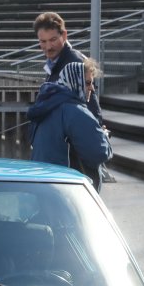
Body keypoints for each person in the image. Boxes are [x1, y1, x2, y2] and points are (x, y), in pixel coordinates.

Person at [28, 59, 110, 189]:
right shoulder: (75, 111)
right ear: (76, 81)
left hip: (40, 182)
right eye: (88, 83)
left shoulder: (47, 106)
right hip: (66, 188)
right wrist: (103, 136)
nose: (91, 88)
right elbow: (99, 153)